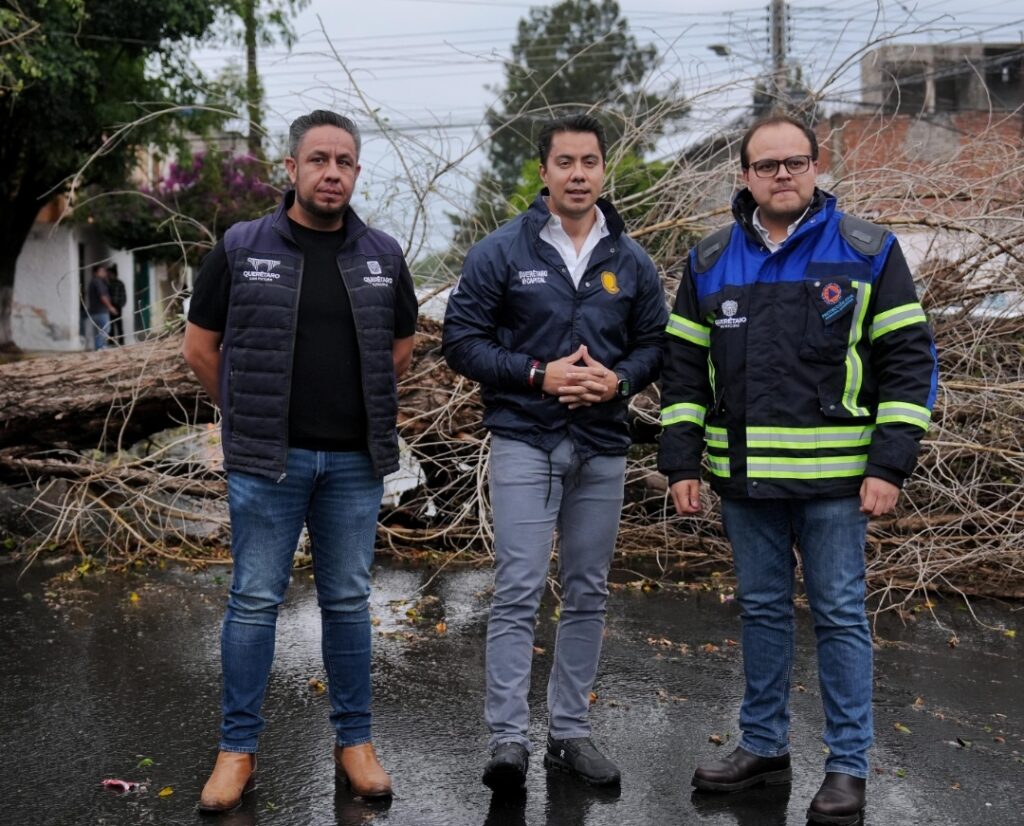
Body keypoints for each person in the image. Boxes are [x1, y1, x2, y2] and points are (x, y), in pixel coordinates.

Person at [658, 114, 938, 825]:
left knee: (840, 615)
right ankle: (764, 747)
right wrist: (682, 461)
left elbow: (908, 364)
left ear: (816, 168)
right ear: (745, 176)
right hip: (745, 480)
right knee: (761, 612)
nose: (783, 174)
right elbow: (685, 372)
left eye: (796, 162)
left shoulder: (869, 252)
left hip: (840, 483)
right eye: (767, 164)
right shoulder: (710, 258)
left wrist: (891, 464)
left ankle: (847, 766)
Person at [182, 110, 417, 813]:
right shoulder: (241, 245)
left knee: (347, 600)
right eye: (318, 159)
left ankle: (356, 744)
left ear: (356, 172)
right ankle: (236, 751)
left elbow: (399, 348)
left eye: (345, 161)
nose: (332, 172)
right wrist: (248, 413)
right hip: (266, 461)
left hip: (353, 462)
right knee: (254, 601)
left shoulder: (381, 254)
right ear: (290, 168)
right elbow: (200, 347)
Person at [443, 113, 667, 792]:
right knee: (516, 589)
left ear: (604, 171)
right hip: (525, 441)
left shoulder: (630, 261)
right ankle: (508, 739)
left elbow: (657, 344)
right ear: (543, 172)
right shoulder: (501, 252)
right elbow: (462, 341)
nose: (578, 174)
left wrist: (619, 379)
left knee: (588, 591)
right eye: (564, 162)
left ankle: (569, 734)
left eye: (590, 162)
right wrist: (539, 373)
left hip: (602, 446)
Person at [86, 264, 116, 350]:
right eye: (102, 271)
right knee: (105, 329)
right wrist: (110, 307)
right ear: (95, 273)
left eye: (105, 271)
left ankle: (98, 348)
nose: (104, 273)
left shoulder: (93, 282)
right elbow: (102, 296)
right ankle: (100, 347)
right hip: (101, 311)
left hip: (94, 311)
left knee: (98, 331)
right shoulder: (97, 282)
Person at [106, 264, 127, 345]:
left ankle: (121, 342)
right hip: (110, 306)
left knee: (119, 325)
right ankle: (111, 341)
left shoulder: (119, 283)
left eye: (110, 274)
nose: (108, 275)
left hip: (117, 306)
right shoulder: (108, 283)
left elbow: (123, 295)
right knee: (110, 325)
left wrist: (121, 305)